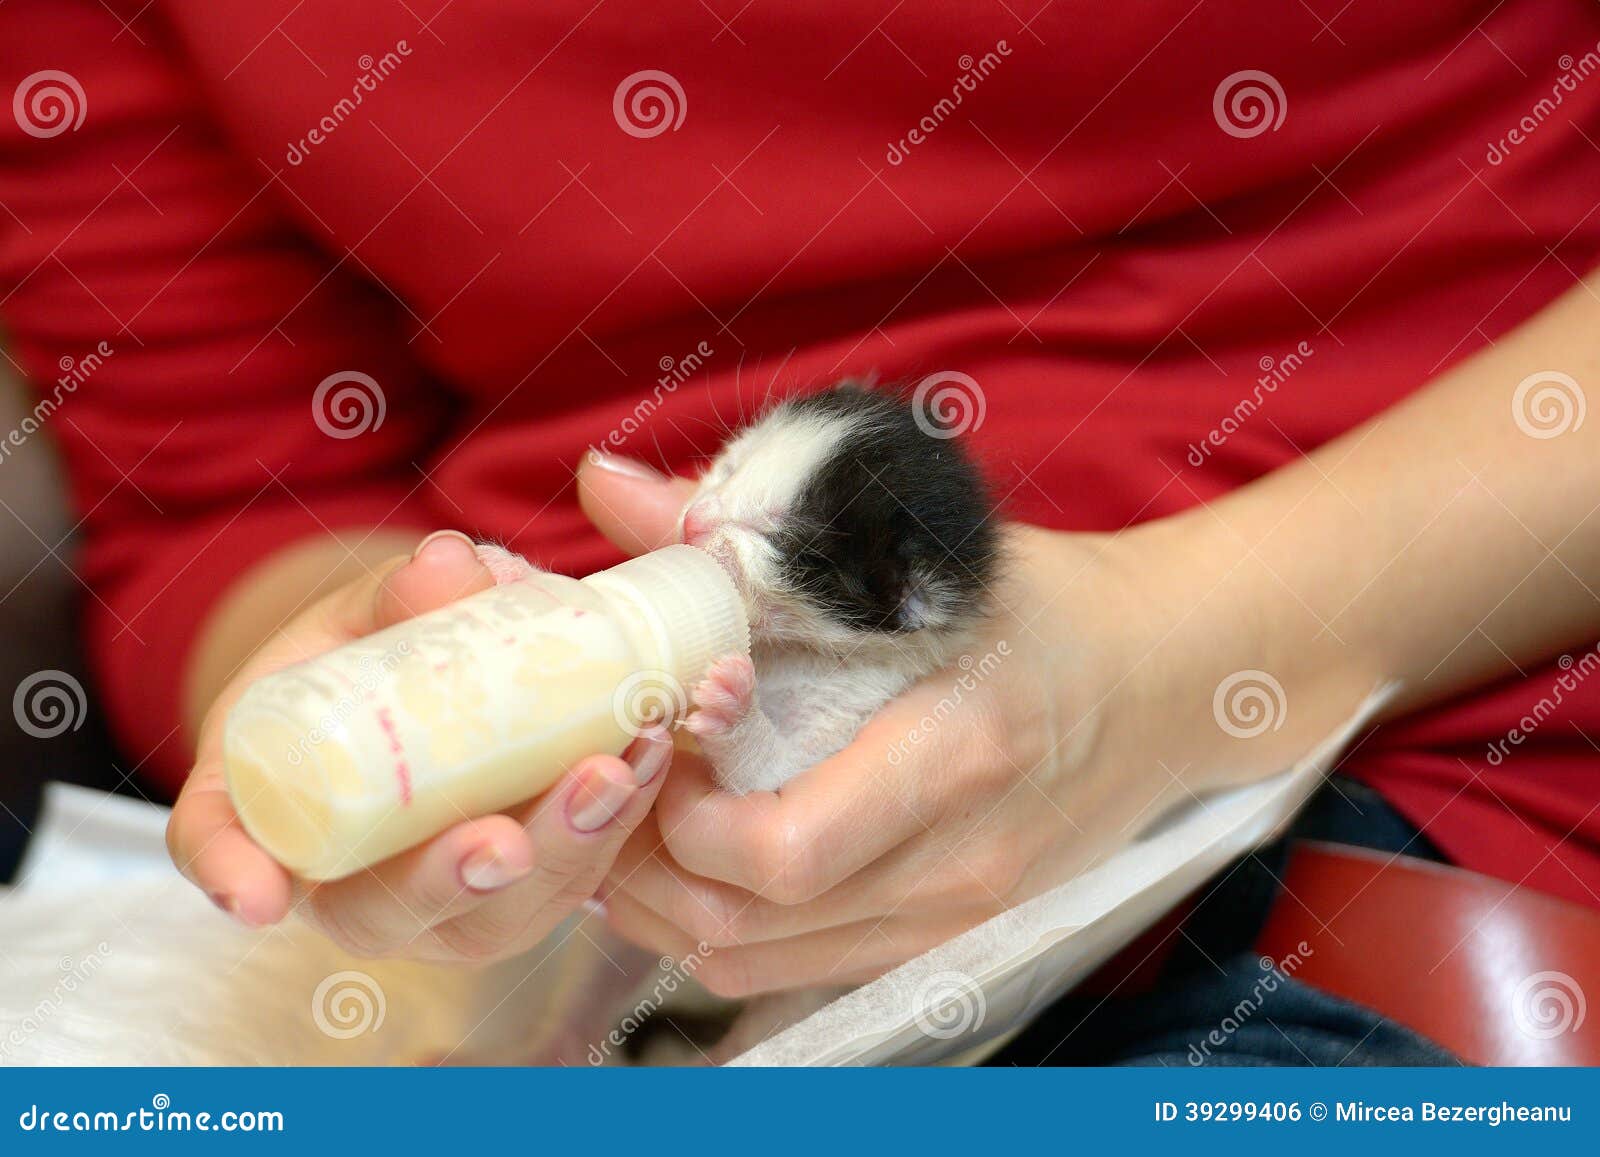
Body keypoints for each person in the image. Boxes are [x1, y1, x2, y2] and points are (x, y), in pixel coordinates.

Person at [1, 1, 1597, 1029]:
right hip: (566, 923)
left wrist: (1204, 655)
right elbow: (216, 482)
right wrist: (411, 709)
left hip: (1417, 704)